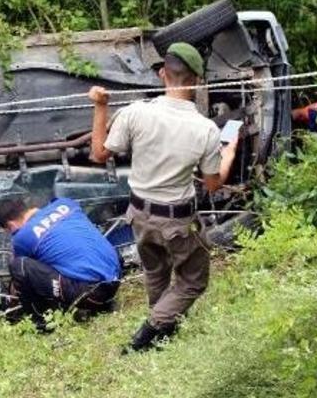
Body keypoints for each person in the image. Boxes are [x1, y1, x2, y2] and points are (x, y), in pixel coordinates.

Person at [88, 42, 239, 352]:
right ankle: (150, 332)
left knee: (156, 271)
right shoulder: (206, 129)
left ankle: (163, 330)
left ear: (161, 74)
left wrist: (101, 107)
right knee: (194, 280)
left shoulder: (135, 113)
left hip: (139, 213)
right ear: (197, 80)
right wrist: (229, 153)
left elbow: (99, 153)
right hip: (176, 220)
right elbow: (213, 185)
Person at [0, 197, 121, 324]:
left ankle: (42, 323)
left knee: (19, 266)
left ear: (11, 225)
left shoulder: (22, 237)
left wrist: (8, 305)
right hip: (115, 277)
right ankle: (100, 302)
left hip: (91, 294)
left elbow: (23, 278)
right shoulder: (65, 203)